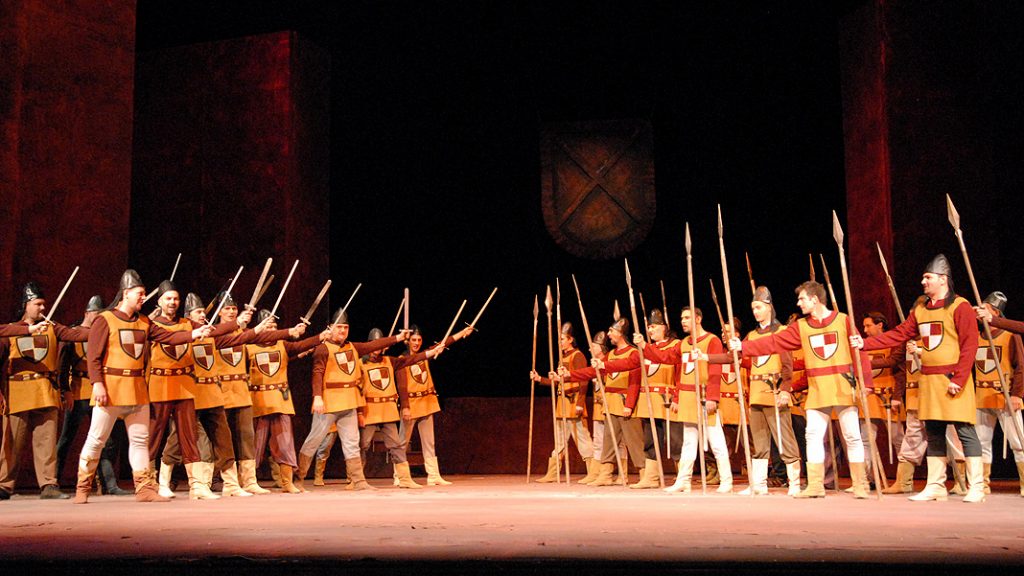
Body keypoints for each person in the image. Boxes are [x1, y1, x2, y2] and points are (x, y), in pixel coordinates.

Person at [73, 269, 216, 504]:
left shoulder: (144, 321)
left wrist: (195, 333)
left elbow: (168, 337)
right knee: (97, 439)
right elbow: (94, 357)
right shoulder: (105, 319)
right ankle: (83, 487)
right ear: (126, 294)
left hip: (137, 389)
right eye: (139, 294)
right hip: (111, 388)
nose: (143, 297)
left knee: (139, 440)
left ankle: (144, 488)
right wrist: (97, 383)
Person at [854, 254, 984, 502]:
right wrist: (865, 344)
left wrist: (959, 378)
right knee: (933, 433)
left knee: (965, 431)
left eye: (928, 277)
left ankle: (977, 486)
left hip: (952, 379)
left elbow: (970, 345)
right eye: (924, 278)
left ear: (943, 279)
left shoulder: (960, 306)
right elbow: (900, 333)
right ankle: (935, 485)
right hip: (930, 380)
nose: (923, 282)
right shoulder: (922, 309)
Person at [729, 281, 873, 499]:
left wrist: (866, 382)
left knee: (852, 436)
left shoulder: (843, 320)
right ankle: (815, 485)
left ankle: (860, 484)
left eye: (802, 299)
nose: (798, 303)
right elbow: (776, 342)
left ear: (814, 299)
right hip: (817, 389)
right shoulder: (801, 326)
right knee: (812, 435)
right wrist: (744, 347)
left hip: (842, 386)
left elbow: (859, 352)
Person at [294, 308, 409, 491]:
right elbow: (317, 373)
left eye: (345, 327)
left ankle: (359, 481)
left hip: (349, 402)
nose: (342, 330)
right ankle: (297, 479)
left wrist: (397, 338)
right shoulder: (323, 348)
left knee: (352, 443)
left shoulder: (353, 347)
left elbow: (374, 345)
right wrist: (317, 397)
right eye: (339, 327)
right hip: (329, 403)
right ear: (330, 328)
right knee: (314, 440)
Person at [705, 287, 801, 496]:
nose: (755, 312)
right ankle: (759, 484)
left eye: (758, 307)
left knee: (784, 437)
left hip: (774, 391)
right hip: (756, 393)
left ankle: (794, 482)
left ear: (769, 307)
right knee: (759, 440)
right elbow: (733, 357)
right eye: (753, 308)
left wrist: (785, 390)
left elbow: (788, 365)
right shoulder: (752, 335)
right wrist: (706, 357)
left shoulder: (781, 332)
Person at [0, 282, 90, 500]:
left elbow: (75, 335)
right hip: (18, 392)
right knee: (11, 443)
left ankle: (49, 484)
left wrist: (103, 325)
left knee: (47, 442)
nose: (42, 308)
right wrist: (27, 330)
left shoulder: (52, 327)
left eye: (43, 304)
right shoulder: (11, 329)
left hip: (45, 391)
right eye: (37, 304)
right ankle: (4, 484)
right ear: (26, 305)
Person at [55, 295, 132, 496]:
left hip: (98, 393)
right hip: (78, 391)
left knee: (103, 440)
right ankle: (52, 481)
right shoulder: (73, 334)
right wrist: (65, 390)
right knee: (67, 439)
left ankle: (109, 484)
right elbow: (63, 367)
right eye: (96, 314)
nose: (99, 318)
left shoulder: (104, 333)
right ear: (87, 313)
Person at [559, 316, 644, 486]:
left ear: (620, 333)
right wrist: (569, 375)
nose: (609, 334)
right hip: (610, 402)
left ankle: (644, 474)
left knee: (633, 440)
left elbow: (634, 380)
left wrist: (629, 405)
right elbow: (592, 371)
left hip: (625, 402)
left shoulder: (633, 353)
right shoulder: (611, 354)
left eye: (611, 331)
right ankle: (605, 474)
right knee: (609, 440)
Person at [247, 309, 325, 493]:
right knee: (254, 444)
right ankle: (248, 481)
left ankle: (287, 482)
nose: (272, 330)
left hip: (281, 402)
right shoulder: (248, 347)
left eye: (274, 327)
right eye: (268, 327)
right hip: (258, 402)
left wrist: (320, 337)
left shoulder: (283, 344)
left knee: (285, 443)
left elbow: (301, 345)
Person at [358, 327, 444, 489]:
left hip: (387, 412)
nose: (376, 349)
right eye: (373, 345)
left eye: (379, 345)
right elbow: (357, 389)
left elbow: (411, 359)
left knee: (396, 445)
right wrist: (359, 412)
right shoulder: (360, 364)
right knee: (363, 444)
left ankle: (404, 478)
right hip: (370, 411)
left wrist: (430, 353)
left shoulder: (389, 361)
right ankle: (356, 479)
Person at [395, 324, 474, 486]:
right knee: (403, 442)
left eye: (419, 340)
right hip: (411, 404)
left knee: (429, 441)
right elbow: (401, 385)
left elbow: (443, 343)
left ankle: (433, 475)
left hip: (426, 402)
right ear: (407, 341)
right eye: (413, 340)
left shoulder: (425, 355)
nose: (416, 343)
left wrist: (462, 333)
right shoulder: (402, 359)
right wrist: (405, 407)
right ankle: (399, 476)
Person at [971, 291, 1024, 495]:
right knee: (981, 442)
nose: (980, 312)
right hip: (982, 397)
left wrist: (1017, 394)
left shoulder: (1010, 335)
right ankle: (982, 483)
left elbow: (1021, 367)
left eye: (985, 308)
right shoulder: (975, 337)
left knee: (1018, 442)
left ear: (995, 312)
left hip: (1005, 396)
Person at [529, 322, 594, 483]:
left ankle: (593, 472)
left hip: (573, 403)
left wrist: (580, 403)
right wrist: (540, 379)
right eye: (558, 339)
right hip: (562, 405)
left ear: (570, 339)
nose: (560, 342)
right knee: (559, 440)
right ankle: (553, 473)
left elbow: (584, 380)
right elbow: (559, 382)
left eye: (562, 339)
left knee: (583, 439)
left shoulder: (577, 356)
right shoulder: (562, 357)